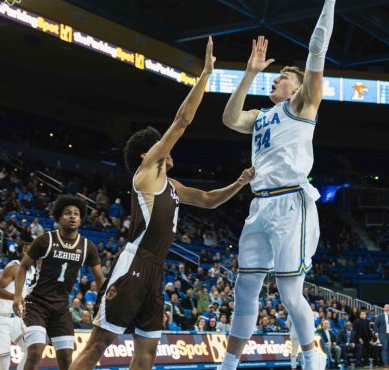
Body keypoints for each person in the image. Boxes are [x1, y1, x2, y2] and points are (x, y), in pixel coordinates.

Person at [71, 38, 254, 370]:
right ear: (147, 153)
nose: (169, 150)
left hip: (156, 269)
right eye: (161, 146)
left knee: (147, 352)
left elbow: (210, 200)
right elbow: (182, 120)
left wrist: (240, 183)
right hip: (134, 263)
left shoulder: (172, 186)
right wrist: (206, 75)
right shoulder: (146, 174)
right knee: (99, 342)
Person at [218, 0, 338, 370]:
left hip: (292, 204)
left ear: (298, 87)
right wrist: (249, 74)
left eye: (282, 78)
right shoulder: (261, 116)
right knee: (244, 287)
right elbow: (230, 118)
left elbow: (317, 49)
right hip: (259, 206)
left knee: (290, 294)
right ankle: (228, 365)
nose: (277, 80)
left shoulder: (303, 105)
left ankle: (312, 358)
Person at [12, 195, 104, 370]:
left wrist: (104, 304)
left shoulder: (87, 246)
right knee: (36, 350)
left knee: (66, 358)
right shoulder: (45, 240)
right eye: (67, 213)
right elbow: (22, 267)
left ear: (80, 218)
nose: (72, 216)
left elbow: (100, 279)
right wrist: (17, 296)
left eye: (76, 214)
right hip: (36, 303)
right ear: (59, 217)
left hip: (61, 306)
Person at [0, 244, 37, 370]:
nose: (29, 252)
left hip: (15, 318)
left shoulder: (33, 272)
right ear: (20, 253)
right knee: (3, 365)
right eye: (26, 249)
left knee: (32, 349)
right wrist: (16, 297)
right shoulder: (14, 267)